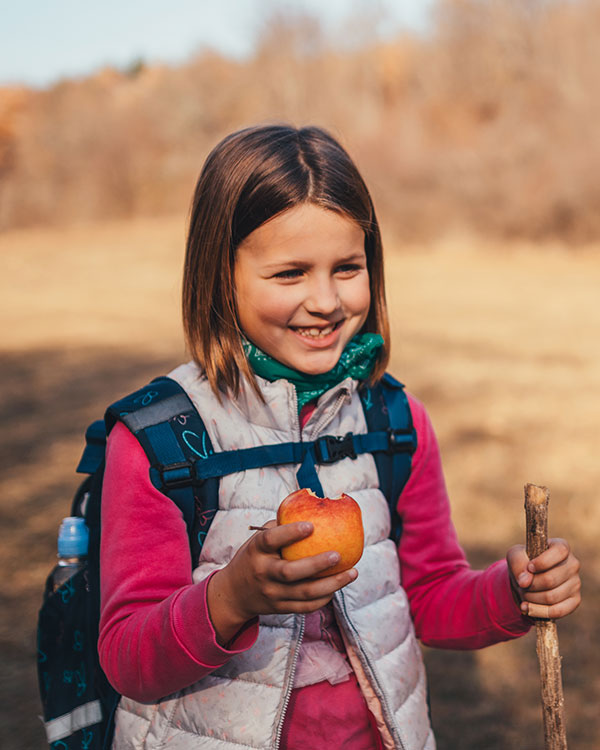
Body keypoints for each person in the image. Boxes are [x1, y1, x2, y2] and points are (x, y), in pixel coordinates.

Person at [98, 124, 581, 750]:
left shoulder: (392, 421)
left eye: (347, 268)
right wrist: (232, 596)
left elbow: (426, 596)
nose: (325, 301)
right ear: (221, 275)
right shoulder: (163, 438)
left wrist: (512, 595)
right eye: (290, 273)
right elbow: (130, 659)